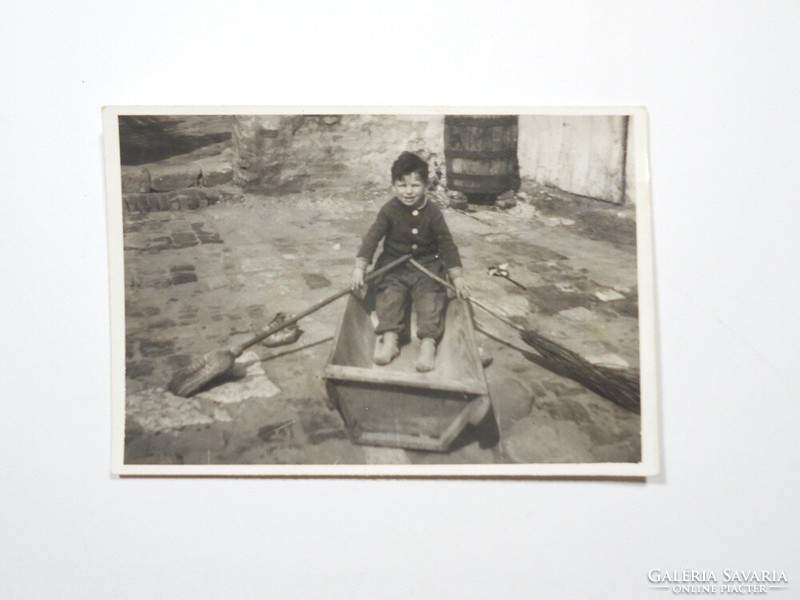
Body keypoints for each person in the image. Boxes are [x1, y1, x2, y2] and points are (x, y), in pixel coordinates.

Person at [351, 152, 467, 372]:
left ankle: (428, 344)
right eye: (402, 185)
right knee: (389, 296)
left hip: (426, 266)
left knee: (430, 298)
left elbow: (446, 243)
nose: (409, 191)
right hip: (394, 265)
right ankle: (390, 339)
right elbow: (372, 237)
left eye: (415, 185)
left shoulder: (432, 212)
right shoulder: (389, 210)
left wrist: (457, 276)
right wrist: (360, 267)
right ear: (394, 186)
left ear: (426, 185)